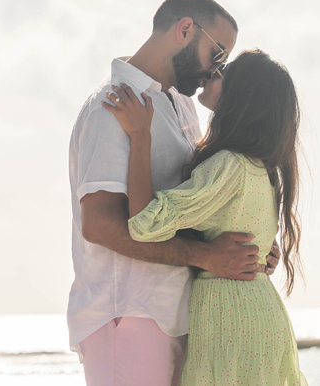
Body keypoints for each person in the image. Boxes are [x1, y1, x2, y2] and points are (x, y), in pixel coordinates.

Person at [67, 0, 280, 386]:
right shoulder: (113, 105)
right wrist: (206, 256)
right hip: (129, 315)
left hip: (182, 314)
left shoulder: (181, 108)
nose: (216, 71)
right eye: (217, 55)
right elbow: (99, 226)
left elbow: (189, 205)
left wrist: (244, 243)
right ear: (185, 30)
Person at [104, 49, 305, 386]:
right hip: (260, 312)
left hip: (230, 320)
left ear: (240, 93)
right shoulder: (263, 168)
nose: (212, 71)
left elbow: (144, 223)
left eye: (224, 69)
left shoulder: (229, 164)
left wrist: (140, 135)